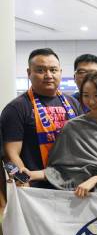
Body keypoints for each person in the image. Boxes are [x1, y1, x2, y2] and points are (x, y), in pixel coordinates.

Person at [24, 72, 97, 195]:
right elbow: (60, 170)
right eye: (86, 95)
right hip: (79, 200)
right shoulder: (72, 127)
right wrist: (30, 175)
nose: (91, 101)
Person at [1, 48, 82, 188]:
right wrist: (22, 179)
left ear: (60, 72)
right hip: (35, 189)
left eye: (53, 70)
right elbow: (10, 155)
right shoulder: (17, 108)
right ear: (29, 73)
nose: (48, 75)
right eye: (40, 70)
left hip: (73, 186)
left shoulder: (73, 103)